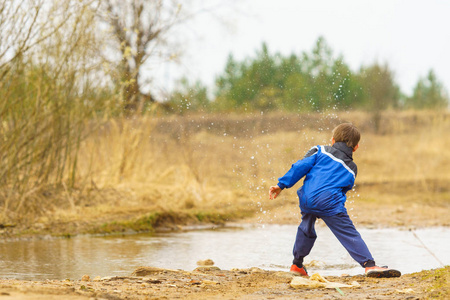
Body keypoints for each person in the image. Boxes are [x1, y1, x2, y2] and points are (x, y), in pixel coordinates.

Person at [269, 123, 401, 278]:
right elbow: (344, 189)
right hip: (329, 203)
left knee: (306, 228)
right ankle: (369, 265)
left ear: (332, 140)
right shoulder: (352, 168)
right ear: (356, 147)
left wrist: (281, 185)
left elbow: (300, 167)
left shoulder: (319, 150)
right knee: (347, 231)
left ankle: (297, 264)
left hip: (306, 198)